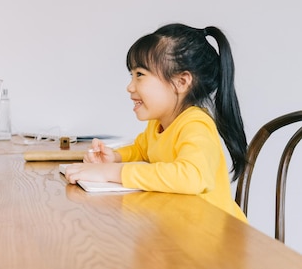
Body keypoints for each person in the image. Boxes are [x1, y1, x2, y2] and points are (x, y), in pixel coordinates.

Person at [63, 23, 248, 221]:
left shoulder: (196, 124)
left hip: (216, 238)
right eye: (131, 75)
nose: (130, 87)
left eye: (140, 75)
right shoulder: (159, 123)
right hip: (180, 228)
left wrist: (114, 172)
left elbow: (192, 176)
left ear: (182, 82)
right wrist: (115, 157)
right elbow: (142, 149)